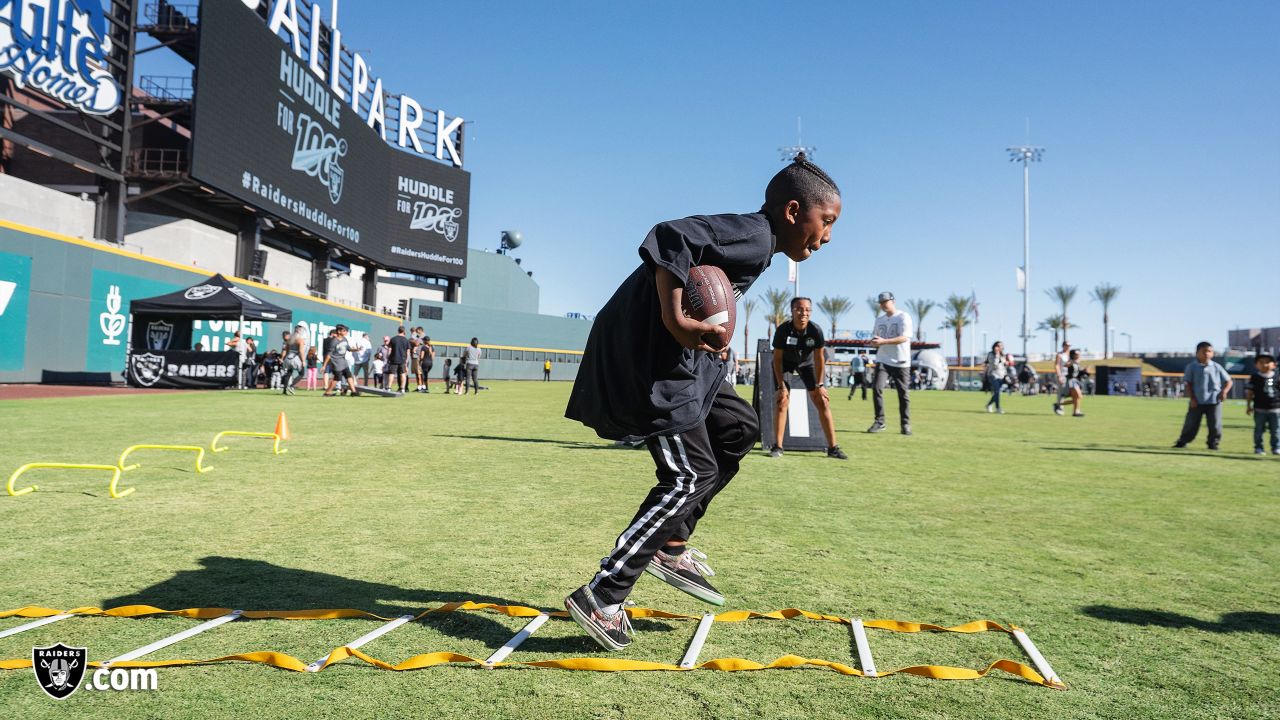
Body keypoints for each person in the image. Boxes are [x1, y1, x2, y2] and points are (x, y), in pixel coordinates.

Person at [561, 153, 842, 650]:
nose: (828, 237)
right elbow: (671, 235)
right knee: (690, 473)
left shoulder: (760, 248)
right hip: (649, 361)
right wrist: (675, 319)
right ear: (795, 212)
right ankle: (603, 596)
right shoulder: (756, 235)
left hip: (688, 363)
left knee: (739, 428)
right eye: (828, 222)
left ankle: (672, 542)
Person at [768, 297, 846, 459]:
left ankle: (833, 448)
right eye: (799, 309)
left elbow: (819, 358)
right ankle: (778, 446)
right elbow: (776, 359)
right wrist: (781, 386)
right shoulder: (783, 330)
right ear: (792, 310)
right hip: (785, 364)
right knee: (782, 401)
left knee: (822, 401)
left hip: (807, 364)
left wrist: (820, 384)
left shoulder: (815, 330)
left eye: (807, 309)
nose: (803, 312)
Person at [868, 291, 913, 435]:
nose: (883, 305)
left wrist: (883, 341)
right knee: (876, 388)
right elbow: (877, 338)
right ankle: (879, 421)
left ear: (893, 301)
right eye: (881, 303)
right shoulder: (879, 320)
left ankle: (905, 424)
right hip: (883, 359)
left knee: (903, 394)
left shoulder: (903, 316)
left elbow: (904, 338)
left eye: (885, 302)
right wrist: (873, 343)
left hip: (901, 361)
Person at [1174, 341, 1233, 451]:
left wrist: (1224, 392)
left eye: (1209, 351)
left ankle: (1213, 443)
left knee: (1215, 424)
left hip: (1214, 401)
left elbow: (1229, 381)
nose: (1207, 353)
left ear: (1213, 353)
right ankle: (1182, 441)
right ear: (1197, 353)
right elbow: (1188, 383)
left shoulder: (1216, 367)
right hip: (1197, 401)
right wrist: (1192, 398)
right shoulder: (1192, 367)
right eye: (1204, 351)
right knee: (1191, 423)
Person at [1246, 354, 1279, 455]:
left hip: (1276, 408)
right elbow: (1250, 393)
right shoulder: (1255, 377)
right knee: (1259, 430)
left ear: (1274, 365)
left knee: (1276, 430)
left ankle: (1276, 447)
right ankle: (1259, 447)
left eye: (1267, 362)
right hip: (1259, 408)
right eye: (1261, 362)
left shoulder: (1277, 376)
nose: (1264, 364)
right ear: (1256, 365)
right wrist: (1248, 406)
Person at [322, 325, 360, 397]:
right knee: (337, 378)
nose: (346, 332)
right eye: (344, 331)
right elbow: (329, 354)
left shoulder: (344, 339)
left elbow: (348, 348)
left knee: (349, 375)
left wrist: (356, 349)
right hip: (336, 362)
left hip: (343, 362)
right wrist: (324, 365)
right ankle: (327, 392)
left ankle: (354, 391)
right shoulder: (334, 341)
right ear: (339, 331)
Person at [281, 322, 308, 395]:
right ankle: (291, 386)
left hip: (288, 358)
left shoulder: (289, 340)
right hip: (296, 358)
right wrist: (303, 361)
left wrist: (283, 359)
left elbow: (286, 351)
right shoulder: (300, 340)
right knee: (301, 374)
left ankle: (284, 390)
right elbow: (301, 351)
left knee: (288, 373)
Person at [1060, 349, 1087, 417]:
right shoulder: (1071, 361)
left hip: (1076, 381)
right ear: (1073, 355)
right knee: (1078, 396)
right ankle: (1076, 412)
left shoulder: (1077, 362)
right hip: (1071, 381)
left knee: (1077, 398)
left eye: (1079, 354)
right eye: (1077, 354)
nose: (1078, 355)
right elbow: (1066, 365)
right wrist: (1073, 362)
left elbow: (1076, 372)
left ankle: (1059, 405)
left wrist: (1083, 370)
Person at [983, 340, 1008, 414]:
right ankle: (998, 408)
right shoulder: (991, 354)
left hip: (1001, 375)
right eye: (998, 346)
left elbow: (1003, 366)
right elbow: (994, 365)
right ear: (995, 347)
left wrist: (1006, 374)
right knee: (997, 391)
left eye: (1001, 346)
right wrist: (997, 355)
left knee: (998, 393)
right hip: (993, 375)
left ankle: (989, 405)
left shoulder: (1003, 355)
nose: (1000, 347)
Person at [386, 326, 411, 393]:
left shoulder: (393, 339)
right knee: (403, 374)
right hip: (402, 360)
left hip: (394, 359)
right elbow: (408, 352)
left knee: (392, 373)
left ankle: (389, 388)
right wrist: (407, 361)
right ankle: (402, 388)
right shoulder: (406, 340)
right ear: (404, 331)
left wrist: (388, 357)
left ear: (398, 331)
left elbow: (389, 350)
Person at [1052, 341, 1071, 415]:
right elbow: (1057, 365)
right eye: (1066, 345)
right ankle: (1059, 408)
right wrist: (1059, 375)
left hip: (1069, 376)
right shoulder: (1060, 355)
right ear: (1063, 346)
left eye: (1069, 345)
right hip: (1062, 375)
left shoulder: (1070, 355)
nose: (1068, 347)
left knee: (1068, 392)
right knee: (1061, 392)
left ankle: (1057, 405)